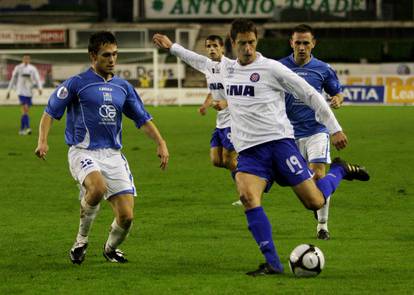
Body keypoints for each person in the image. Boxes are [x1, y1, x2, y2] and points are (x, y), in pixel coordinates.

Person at [153, 19, 369, 276]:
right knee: (247, 197)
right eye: (242, 43)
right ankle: (273, 263)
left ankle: (340, 170)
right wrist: (172, 47)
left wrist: (335, 128)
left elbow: (310, 94)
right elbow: (199, 62)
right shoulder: (226, 69)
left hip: (280, 145)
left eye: (252, 43)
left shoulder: (271, 68)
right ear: (233, 43)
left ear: (257, 42)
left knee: (314, 202)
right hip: (250, 153)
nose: (247, 48)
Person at [35, 31, 169, 265]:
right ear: (93, 56)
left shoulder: (123, 87)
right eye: (106, 55)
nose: (112, 60)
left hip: (113, 155)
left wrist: (161, 142)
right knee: (97, 188)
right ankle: (80, 241)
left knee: (126, 217)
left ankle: (110, 249)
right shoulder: (77, 83)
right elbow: (49, 113)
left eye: (115, 54)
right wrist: (42, 141)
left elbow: (142, 119)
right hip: (83, 151)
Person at [279, 24, 344, 240]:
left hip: (317, 130)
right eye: (297, 42)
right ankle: (339, 173)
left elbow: (337, 91)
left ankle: (322, 226)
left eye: (306, 43)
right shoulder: (279, 67)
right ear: (291, 43)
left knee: (318, 174)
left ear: (313, 44)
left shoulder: (323, 69)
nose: (302, 47)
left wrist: (337, 99)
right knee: (300, 182)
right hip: (288, 134)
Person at [198, 35, 237, 172]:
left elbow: (242, 94)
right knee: (216, 160)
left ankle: (249, 182)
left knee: (228, 160)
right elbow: (212, 92)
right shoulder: (209, 69)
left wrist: (226, 103)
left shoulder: (232, 68)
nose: (212, 49)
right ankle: (247, 169)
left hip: (233, 121)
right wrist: (205, 105)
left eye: (215, 46)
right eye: (208, 46)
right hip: (220, 122)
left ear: (222, 48)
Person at [6, 54, 43, 135]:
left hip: (29, 92)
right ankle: (28, 128)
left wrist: (39, 88)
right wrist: (9, 90)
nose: (26, 60)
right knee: (25, 109)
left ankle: (22, 129)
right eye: (25, 59)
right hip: (21, 91)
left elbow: (37, 78)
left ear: (29, 60)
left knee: (25, 111)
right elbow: (13, 79)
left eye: (27, 59)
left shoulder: (32, 68)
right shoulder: (18, 68)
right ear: (23, 60)